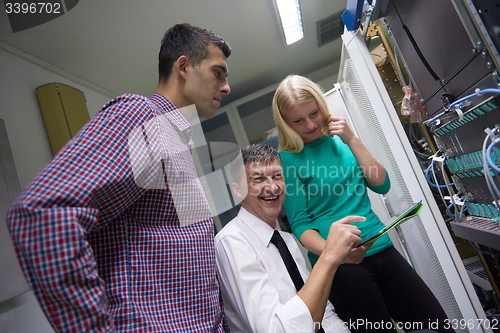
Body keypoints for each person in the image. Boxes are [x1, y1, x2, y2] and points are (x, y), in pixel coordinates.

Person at [7, 23, 232, 332]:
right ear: (183, 66)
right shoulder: (141, 115)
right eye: (218, 73)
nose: (226, 86)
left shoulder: (178, 139)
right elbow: (44, 214)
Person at [272, 75, 455, 333]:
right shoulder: (288, 160)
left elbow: (382, 184)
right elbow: (301, 226)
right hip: (342, 269)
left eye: (314, 113)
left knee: (437, 326)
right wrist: (335, 253)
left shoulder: (342, 141)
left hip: (382, 247)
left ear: (322, 107)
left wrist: (351, 139)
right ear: (286, 123)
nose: (311, 124)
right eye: (298, 121)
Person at [215, 143, 363, 333]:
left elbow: (323, 311)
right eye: (258, 179)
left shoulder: (286, 240)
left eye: (277, 176)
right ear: (238, 191)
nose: (272, 187)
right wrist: (329, 258)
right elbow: (275, 330)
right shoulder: (231, 242)